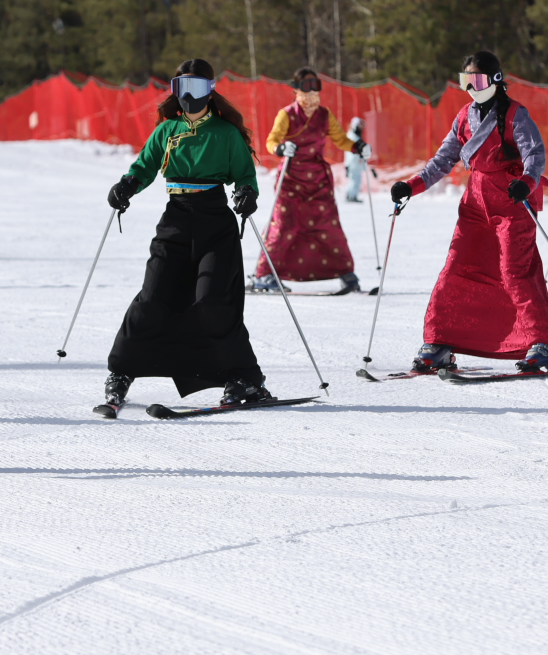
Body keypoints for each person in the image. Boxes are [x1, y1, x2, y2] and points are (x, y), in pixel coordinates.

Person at [101, 58, 272, 411]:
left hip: (214, 221)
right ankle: (122, 371)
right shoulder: (167, 131)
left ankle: (245, 378)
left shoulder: (225, 134)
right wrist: (127, 185)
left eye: (196, 88)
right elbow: (145, 166)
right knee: (152, 297)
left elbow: (244, 175)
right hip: (176, 220)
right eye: (181, 89)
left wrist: (247, 194)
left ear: (210, 91)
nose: (188, 97)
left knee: (212, 300)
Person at [388, 51, 548, 374]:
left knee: (516, 271)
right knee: (456, 267)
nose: (471, 88)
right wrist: (411, 186)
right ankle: (440, 340)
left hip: (511, 203)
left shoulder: (515, 115)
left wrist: (526, 182)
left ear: (495, 80)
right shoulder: (464, 117)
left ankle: (545, 343)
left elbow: (535, 154)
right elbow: (443, 160)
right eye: (465, 82)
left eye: (477, 81)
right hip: (475, 204)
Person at [253, 68, 368, 293]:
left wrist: (357, 147)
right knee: (284, 225)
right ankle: (265, 274)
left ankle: (345, 271)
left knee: (328, 225)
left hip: (317, 181)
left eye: (315, 85)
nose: (312, 91)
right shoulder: (287, 114)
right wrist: (281, 148)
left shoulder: (324, 115)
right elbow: (272, 140)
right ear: (296, 89)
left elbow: (340, 140)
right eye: (306, 86)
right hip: (291, 179)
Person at [341, 116, 371, 203]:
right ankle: (351, 195)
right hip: (353, 162)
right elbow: (350, 151)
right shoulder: (352, 136)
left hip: (356, 163)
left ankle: (352, 195)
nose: (361, 128)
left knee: (356, 179)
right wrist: (348, 164)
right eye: (359, 126)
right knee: (354, 179)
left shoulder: (355, 136)